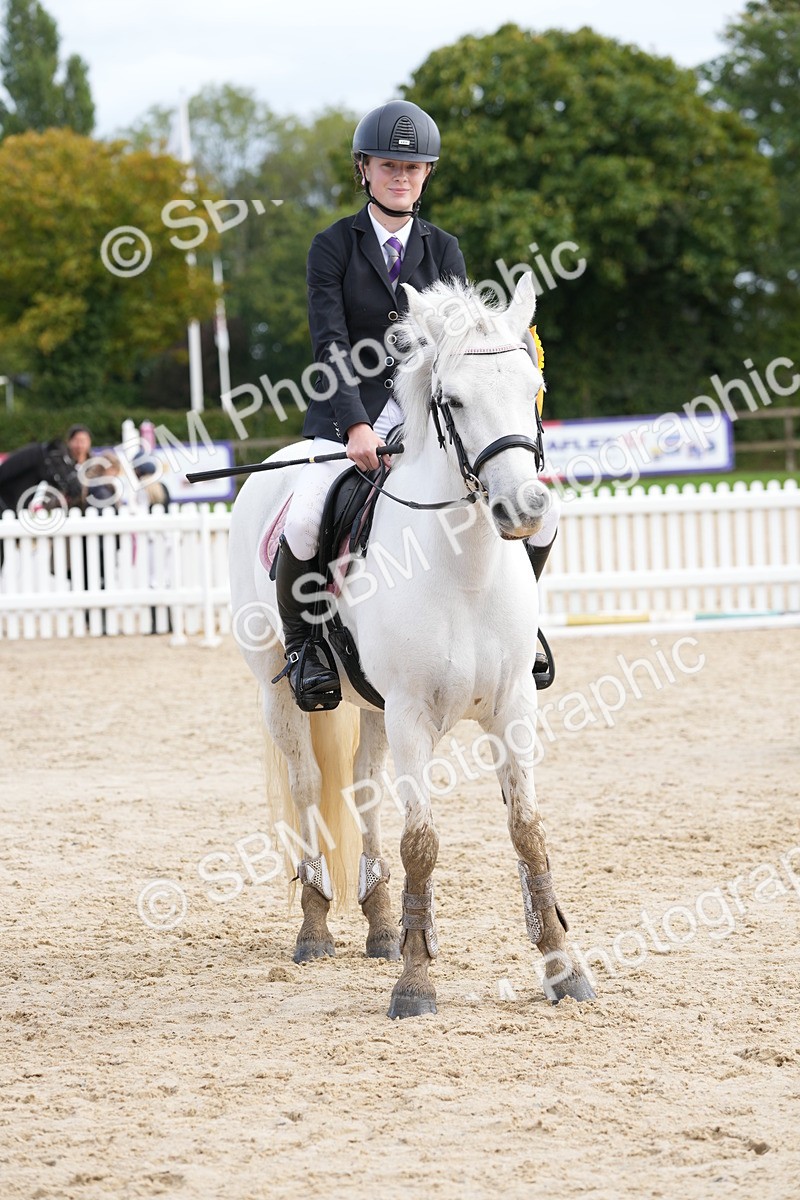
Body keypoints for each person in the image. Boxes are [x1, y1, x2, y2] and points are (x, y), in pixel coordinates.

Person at [274, 100, 558, 710]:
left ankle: (519, 630)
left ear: (426, 174)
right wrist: (353, 423)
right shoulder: (331, 248)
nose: (400, 176)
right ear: (364, 170)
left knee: (539, 508)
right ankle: (307, 650)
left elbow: (453, 349)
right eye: (387, 165)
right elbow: (331, 343)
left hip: (425, 419)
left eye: (412, 166)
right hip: (343, 419)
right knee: (303, 518)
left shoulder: (444, 249)